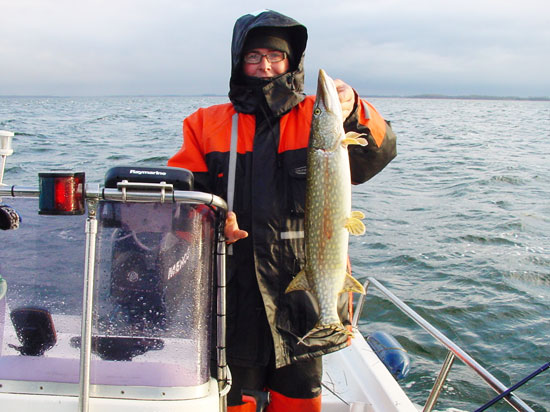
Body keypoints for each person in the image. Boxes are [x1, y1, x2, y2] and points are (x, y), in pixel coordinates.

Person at [168, 9, 397, 412]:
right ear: (239, 61)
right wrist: (212, 220)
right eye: (254, 56)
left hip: (305, 295)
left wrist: (354, 108)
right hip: (232, 294)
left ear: (291, 62)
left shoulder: (318, 117)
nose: (266, 65)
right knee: (235, 401)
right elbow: (184, 199)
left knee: (299, 402)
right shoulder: (205, 124)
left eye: (276, 56)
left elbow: (377, 154)